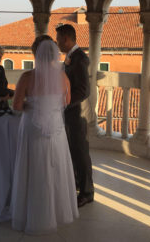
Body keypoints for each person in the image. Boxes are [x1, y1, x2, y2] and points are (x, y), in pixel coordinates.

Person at [10, 37, 78, 234]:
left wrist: (33, 105)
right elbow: (67, 101)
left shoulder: (26, 77)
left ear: (35, 53)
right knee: (55, 166)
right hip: (56, 128)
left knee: (33, 168)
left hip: (33, 127)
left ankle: (32, 213)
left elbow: (16, 106)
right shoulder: (63, 77)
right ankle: (57, 212)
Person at [56, 24, 94, 208]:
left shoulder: (80, 59)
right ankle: (77, 184)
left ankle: (87, 192)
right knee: (73, 150)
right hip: (72, 112)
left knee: (81, 152)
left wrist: (65, 103)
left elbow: (84, 91)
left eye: (58, 39)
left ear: (65, 38)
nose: (57, 43)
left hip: (79, 113)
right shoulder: (71, 57)